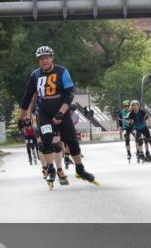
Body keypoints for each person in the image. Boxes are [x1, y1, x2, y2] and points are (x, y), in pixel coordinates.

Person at [19, 45, 99, 190]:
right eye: (41, 59)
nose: (44, 61)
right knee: (46, 139)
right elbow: (27, 97)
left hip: (62, 112)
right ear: (38, 61)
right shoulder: (35, 75)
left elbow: (69, 94)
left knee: (72, 142)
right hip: (44, 113)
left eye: (46, 58)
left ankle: (80, 169)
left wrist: (61, 112)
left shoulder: (62, 72)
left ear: (52, 58)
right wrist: (21, 118)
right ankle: (50, 169)